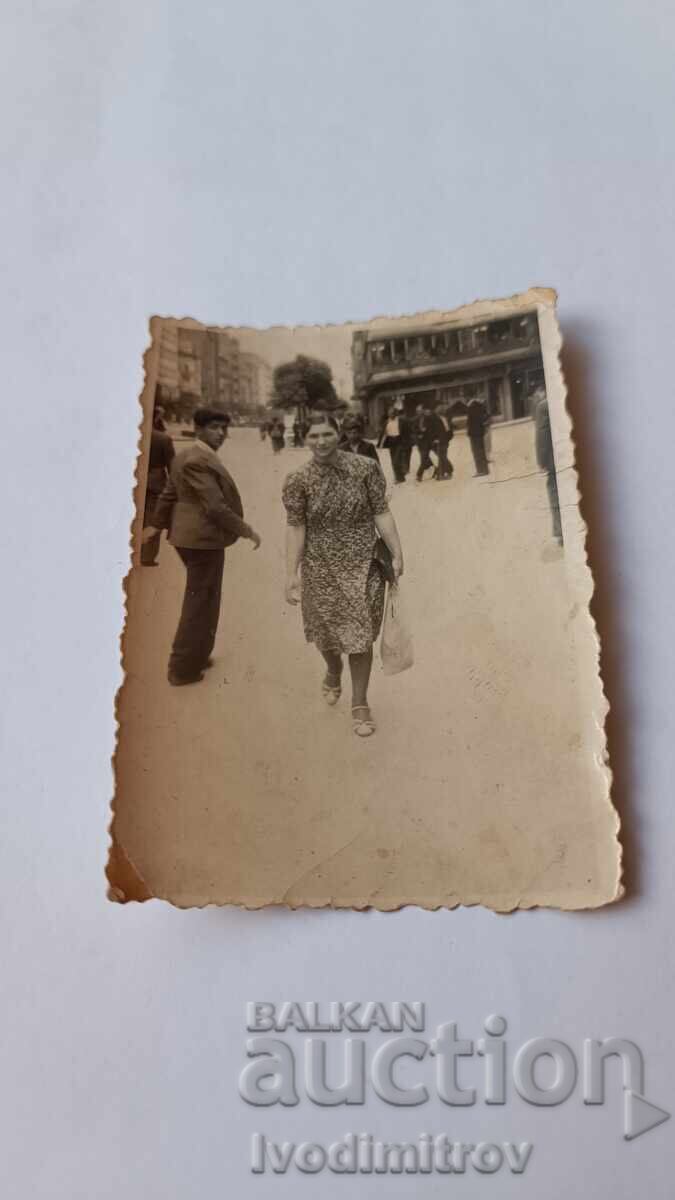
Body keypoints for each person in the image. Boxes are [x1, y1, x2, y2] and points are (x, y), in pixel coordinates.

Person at [283, 413, 404, 738]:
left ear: (338, 434)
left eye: (326, 434)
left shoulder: (364, 468)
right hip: (319, 567)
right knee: (324, 631)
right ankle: (333, 669)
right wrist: (290, 573)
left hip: (363, 563)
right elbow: (296, 527)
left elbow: (381, 510)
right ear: (304, 439)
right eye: (313, 436)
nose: (320, 441)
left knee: (360, 633)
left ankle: (360, 702)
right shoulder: (298, 480)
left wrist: (396, 551)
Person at [143, 406, 262, 686]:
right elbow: (216, 507)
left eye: (223, 429)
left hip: (189, 538)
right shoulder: (197, 458)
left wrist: (156, 526)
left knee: (205, 597)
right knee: (200, 601)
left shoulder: (185, 455)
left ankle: (197, 655)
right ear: (198, 429)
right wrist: (247, 531)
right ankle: (182, 668)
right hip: (202, 539)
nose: (221, 434)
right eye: (214, 428)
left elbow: (169, 493)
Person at [140, 410, 175, 566]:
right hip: (155, 483)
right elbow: (172, 467)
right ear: (156, 418)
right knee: (153, 518)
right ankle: (147, 556)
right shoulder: (163, 439)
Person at [533, 389, 563, 544]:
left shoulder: (544, 406)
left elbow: (542, 435)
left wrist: (542, 461)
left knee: (555, 491)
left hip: (557, 461)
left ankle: (562, 531)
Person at [378, 404, 407, 483]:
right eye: (390, 413)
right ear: (388, 414)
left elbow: (405, 431)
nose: (391, 415)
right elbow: (384, 434)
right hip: (391, 442)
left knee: (396, 460)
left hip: (399, 441)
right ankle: (400, 477)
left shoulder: (400, 421)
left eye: (393, 413)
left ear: (395, 413)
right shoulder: (386, 422)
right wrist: (380, 445)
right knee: (393, 460)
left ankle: (399, 477)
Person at [466, 396, 490, 476]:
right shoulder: (480, 406)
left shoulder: (471, 407)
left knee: (476, 452)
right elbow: (486, 416)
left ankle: (480, 471)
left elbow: (470, 422)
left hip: (474, 433)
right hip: (480, 432)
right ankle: (485, 470)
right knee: (481, 451)